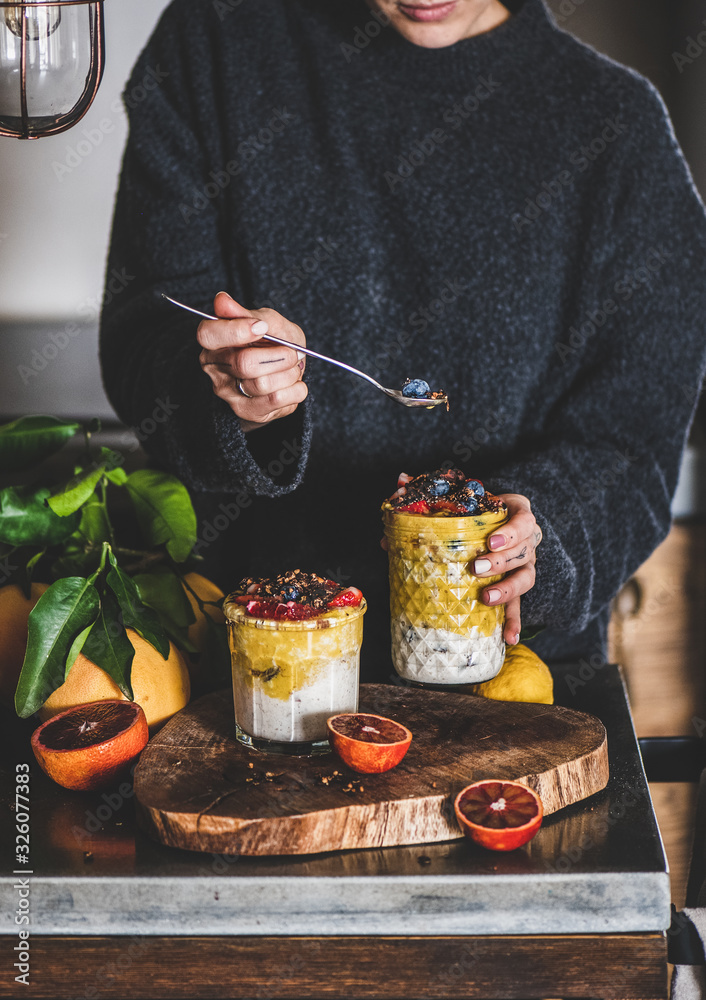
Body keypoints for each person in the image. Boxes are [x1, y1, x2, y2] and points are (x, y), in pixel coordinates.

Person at [100, 0, 706, 683]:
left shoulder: (617, 128)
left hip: (511, 681)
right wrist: (221, 391)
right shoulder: (212, 41)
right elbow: (141, 335)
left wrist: (544, 540)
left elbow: (633, 446)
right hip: (254, 666)